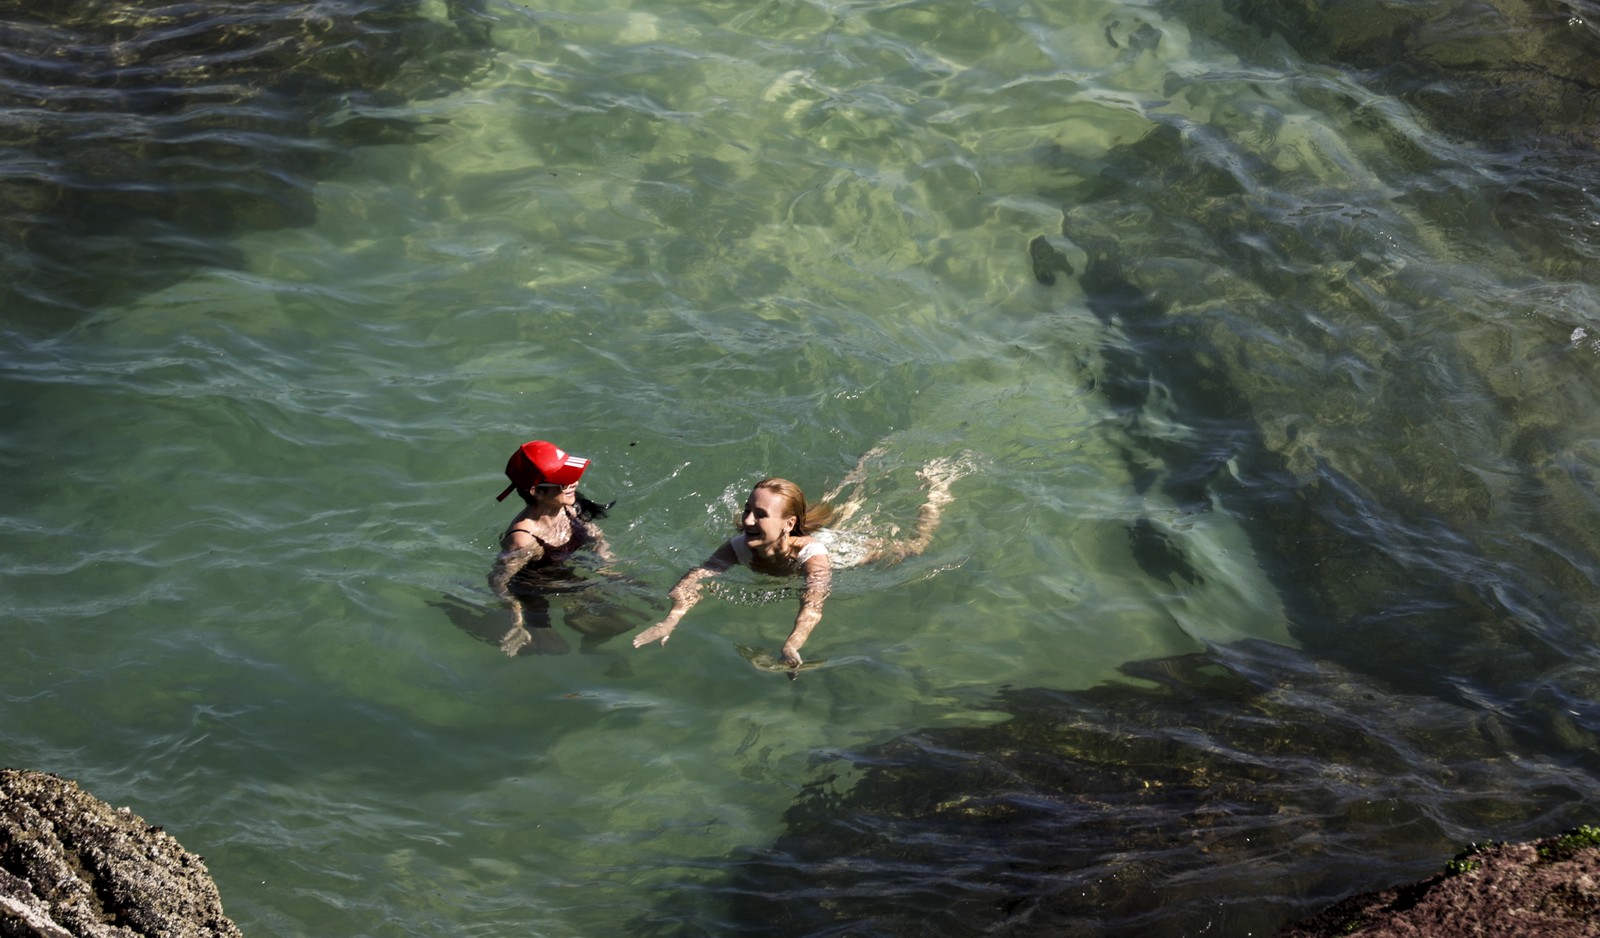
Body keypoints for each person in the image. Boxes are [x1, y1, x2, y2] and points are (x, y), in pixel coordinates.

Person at [631, 450, 972, 669]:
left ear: (789, 523)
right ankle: (854, 487)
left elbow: (813, 606)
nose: (747, 521)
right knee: (844, 510)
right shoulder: (738, 545)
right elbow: (696, 577)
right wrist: (672, 619)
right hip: (798, 543)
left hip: (844, 551)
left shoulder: (815, 556)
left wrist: (792, 644)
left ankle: (937, 491)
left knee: (914, 548)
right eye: (748, 511)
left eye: (759, 515)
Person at [488, 439, 624, 657]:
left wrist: (605, 563)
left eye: (573, 478)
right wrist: (516, 620)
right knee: (556, 650)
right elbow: (498, 581)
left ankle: (591, 645)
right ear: (537, 492)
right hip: (531, 591)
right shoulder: (523, 538)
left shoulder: (569, 506)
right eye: (564, 481)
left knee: (619, 623)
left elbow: (596, 536)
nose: (574, 484)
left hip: (564, 575)